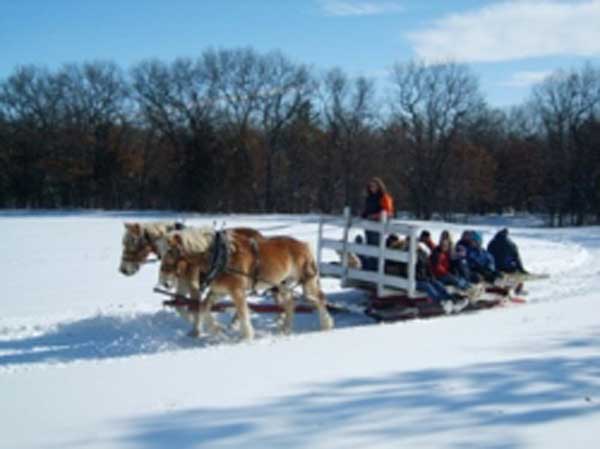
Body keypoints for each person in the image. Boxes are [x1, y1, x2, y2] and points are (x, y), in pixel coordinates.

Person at [361, 177, 394, 269]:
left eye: (374, 186)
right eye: (371, 186)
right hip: (368, 227)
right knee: (369, 246)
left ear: (379, 187)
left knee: (377, 247)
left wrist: (375, 216)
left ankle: (376, 268)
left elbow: (388, 213)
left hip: (379, 227)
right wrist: (363, 215)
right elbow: (367, 210)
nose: (372, 188)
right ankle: (370, 267)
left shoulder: (384, 197)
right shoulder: (369, 198)